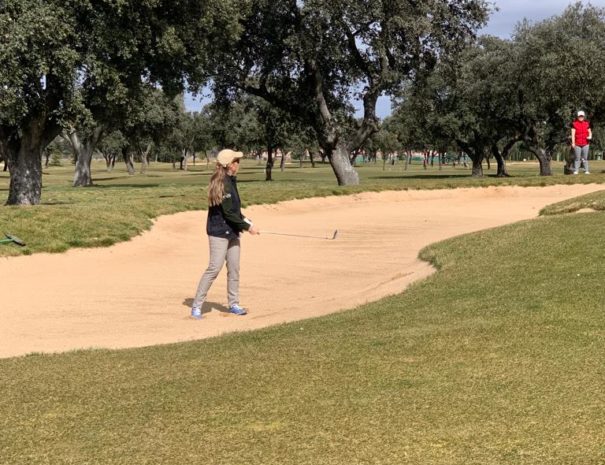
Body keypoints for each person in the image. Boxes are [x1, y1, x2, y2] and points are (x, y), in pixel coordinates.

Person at [191, 149, 260, 319]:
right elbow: (228, 213)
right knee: (214, 268)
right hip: (219, 232)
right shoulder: (223, 183)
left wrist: (246, 221)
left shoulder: (230, 181)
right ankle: (197, 306)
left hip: (232, 232)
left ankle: (234, 303)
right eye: (236, 161)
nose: (238, 164)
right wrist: (247, 227)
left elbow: (234, 211)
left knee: (234, 269)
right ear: (229, 165)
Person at [571, 110, 592, 174]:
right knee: (577, 158)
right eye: (580, 116)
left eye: (582, 116)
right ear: (577, 116)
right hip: (577, 144)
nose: (581, 117)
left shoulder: (587, 123)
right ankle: (576, 170)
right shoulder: (574, 124)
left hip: (585, 143)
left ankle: (586, 170)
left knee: (585, 158)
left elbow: (590, 132)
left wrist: (590, 136)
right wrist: (573, 143)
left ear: (584, 116)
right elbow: (573, 134)